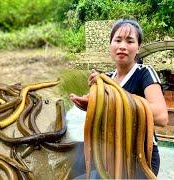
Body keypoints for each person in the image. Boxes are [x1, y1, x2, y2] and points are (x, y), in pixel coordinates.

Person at [69, 19, 168, 178]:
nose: (122, 46)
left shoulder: (144, 73)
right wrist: (91, 104)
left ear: (138, 47)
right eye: (117, 40)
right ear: (110, 45)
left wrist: (110, 100)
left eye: (130, 41)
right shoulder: (105, 78)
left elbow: (161, 116)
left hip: (139, 158)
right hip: (109, 154)